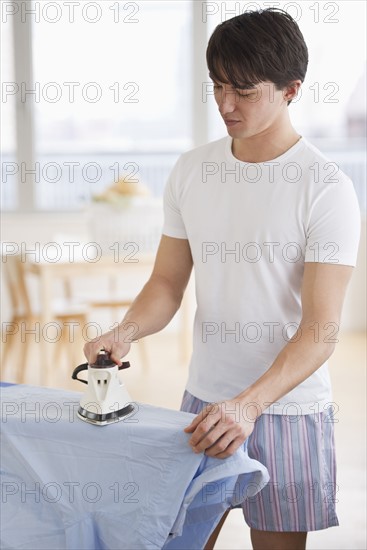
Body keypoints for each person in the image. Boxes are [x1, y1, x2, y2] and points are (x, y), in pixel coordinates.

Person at [84, 8, 361, 550]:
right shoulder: (192, 171)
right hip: (204, 401)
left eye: (243, 91)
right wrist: (126, 331)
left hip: (285, 410)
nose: (225, 105)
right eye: (217, 87)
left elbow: (322, 328)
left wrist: (249, 404)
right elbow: (167, 284)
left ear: (290, 90)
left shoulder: (326, 189)